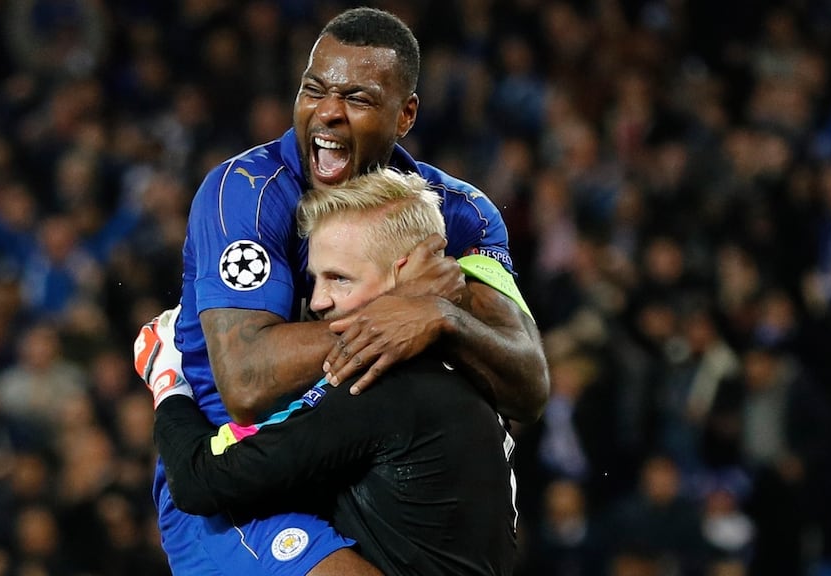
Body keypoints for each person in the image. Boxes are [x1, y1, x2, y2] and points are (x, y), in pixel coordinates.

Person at [148, 7, 549, 575]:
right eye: (314, 90)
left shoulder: (461, 215)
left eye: (357, 98)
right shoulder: (245, 193)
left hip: (365, 466)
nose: (328, 112)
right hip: (235, 478)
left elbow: (526, 385)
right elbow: (247, 380)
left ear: (405, 114)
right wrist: (402, 308)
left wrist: (442, 316)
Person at [145, 168, 520, 575]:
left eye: (339, 279)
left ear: (404, 274)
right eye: (316, 280)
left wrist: (168, 381)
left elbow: (202, 481)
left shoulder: (377, 389)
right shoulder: (468, 368)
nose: (318, 302)